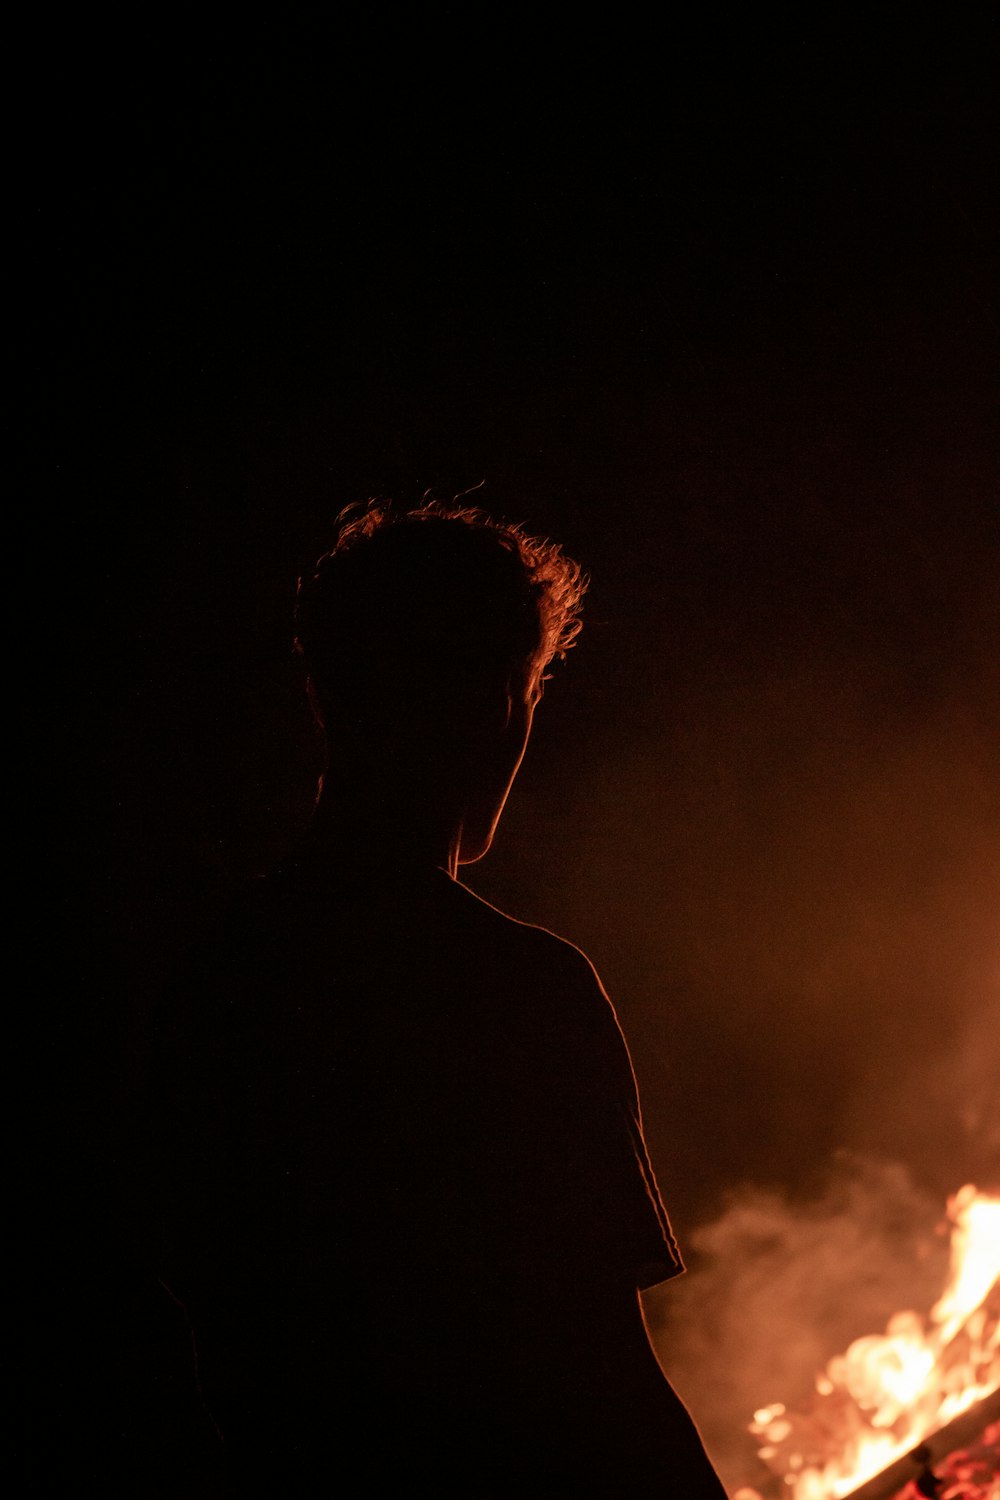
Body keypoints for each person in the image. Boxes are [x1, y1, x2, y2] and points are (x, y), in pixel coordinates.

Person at [146, 500, 727, 1495]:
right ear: (501, 700)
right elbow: (597, 1372)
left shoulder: (217, 975)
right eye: (533, 690)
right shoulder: (517, 989)